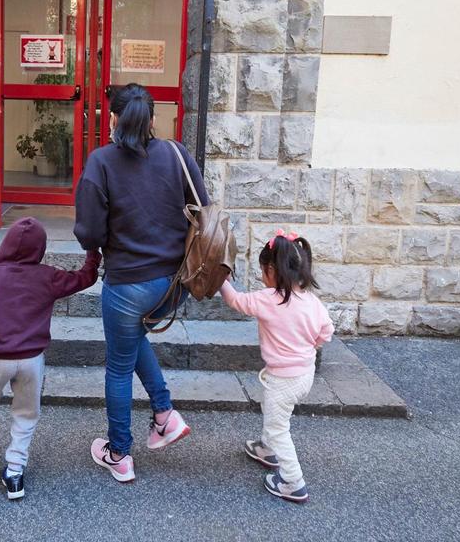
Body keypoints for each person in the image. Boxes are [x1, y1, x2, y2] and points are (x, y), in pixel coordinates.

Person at [74, 83, 208, 483]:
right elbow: (203, 206)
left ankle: (119, 453)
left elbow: (88, 233)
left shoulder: (101, 163)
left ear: (113, 119)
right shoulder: (177, 154)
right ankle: (164, 415)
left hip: (129, 286)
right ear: (152, 120)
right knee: (133, 341)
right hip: (175, 284)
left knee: (117, 366)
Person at [0, 216, 101, 500]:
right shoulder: (47, 276)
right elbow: (84, 278)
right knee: (26, 413)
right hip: (32, 360)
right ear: (40, 248)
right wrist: (92, 253)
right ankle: (14, 472)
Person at [219, 229, 334, 503]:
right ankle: (266, 449)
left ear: (272, 269)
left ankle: (293, 481)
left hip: (282, 380)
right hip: (304, 375)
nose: (262, 276)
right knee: (275, 414)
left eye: (262, 270)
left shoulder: (268, 299)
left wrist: (222, 280)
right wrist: (309, 347)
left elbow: (235, 300)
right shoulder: (312, 301)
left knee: (277, 427)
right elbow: (326, 332)